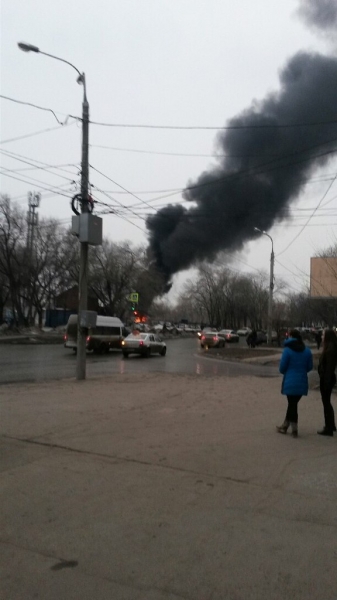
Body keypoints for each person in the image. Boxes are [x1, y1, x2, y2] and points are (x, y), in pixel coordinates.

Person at [276, 329, 313, 438]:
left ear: (291, 336)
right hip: (302, 381)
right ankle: (285, 425)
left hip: (290, 381)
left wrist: (289, 372)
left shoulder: (287, 350)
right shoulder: (307, 351)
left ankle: (294, 430)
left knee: (292, 405)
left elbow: (282, 368)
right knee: (293, 404)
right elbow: (310, 367)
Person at [317, 329, 337, 436]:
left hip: (326, 379)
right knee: (327, 402)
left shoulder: (330, 350)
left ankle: (328, 428)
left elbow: (329, 367)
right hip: (327, 378)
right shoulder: (330, 348)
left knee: (326, 403)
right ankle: (331, 425)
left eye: (323, 335)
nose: (322, 337)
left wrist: (326, 381)